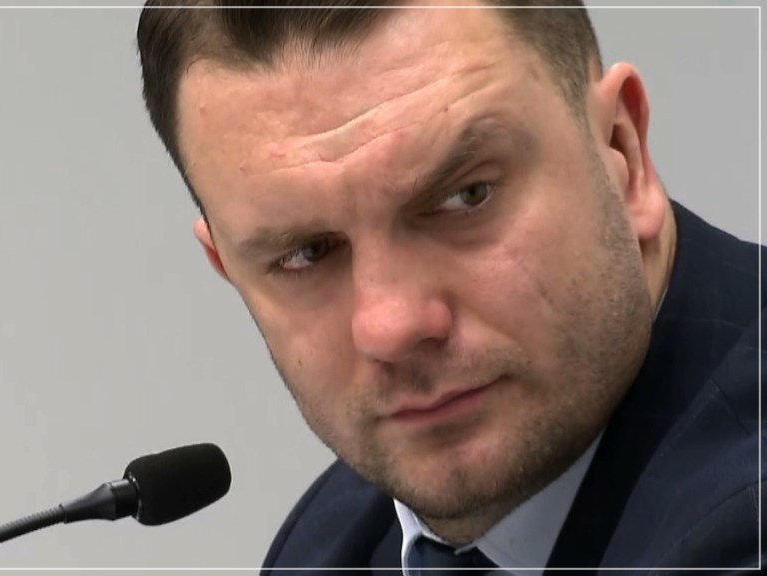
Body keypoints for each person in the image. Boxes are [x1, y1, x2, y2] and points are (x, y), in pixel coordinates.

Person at [135, 1, 763, 573]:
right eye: (306, 254)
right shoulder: (332, 543)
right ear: (227, 266)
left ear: (623, 154)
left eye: (466, 196)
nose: (391, 325)